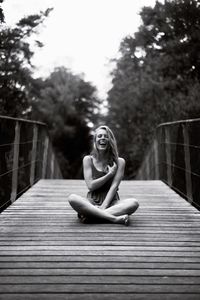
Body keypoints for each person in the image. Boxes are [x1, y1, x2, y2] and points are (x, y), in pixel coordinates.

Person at [68, 125, 139, 225]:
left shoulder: (120, 162)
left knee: (134, 203)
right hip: (92, 202)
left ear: (110, 141)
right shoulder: (88, 160)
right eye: (99, 136)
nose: (102, 138)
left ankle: (92, 216)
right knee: (72, 198)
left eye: (106, 136)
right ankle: (114, 219)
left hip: (113, 203)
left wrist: (104, 206)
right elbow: (91, 186)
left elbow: (114, 187)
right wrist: (109, 174)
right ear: (95, 141)